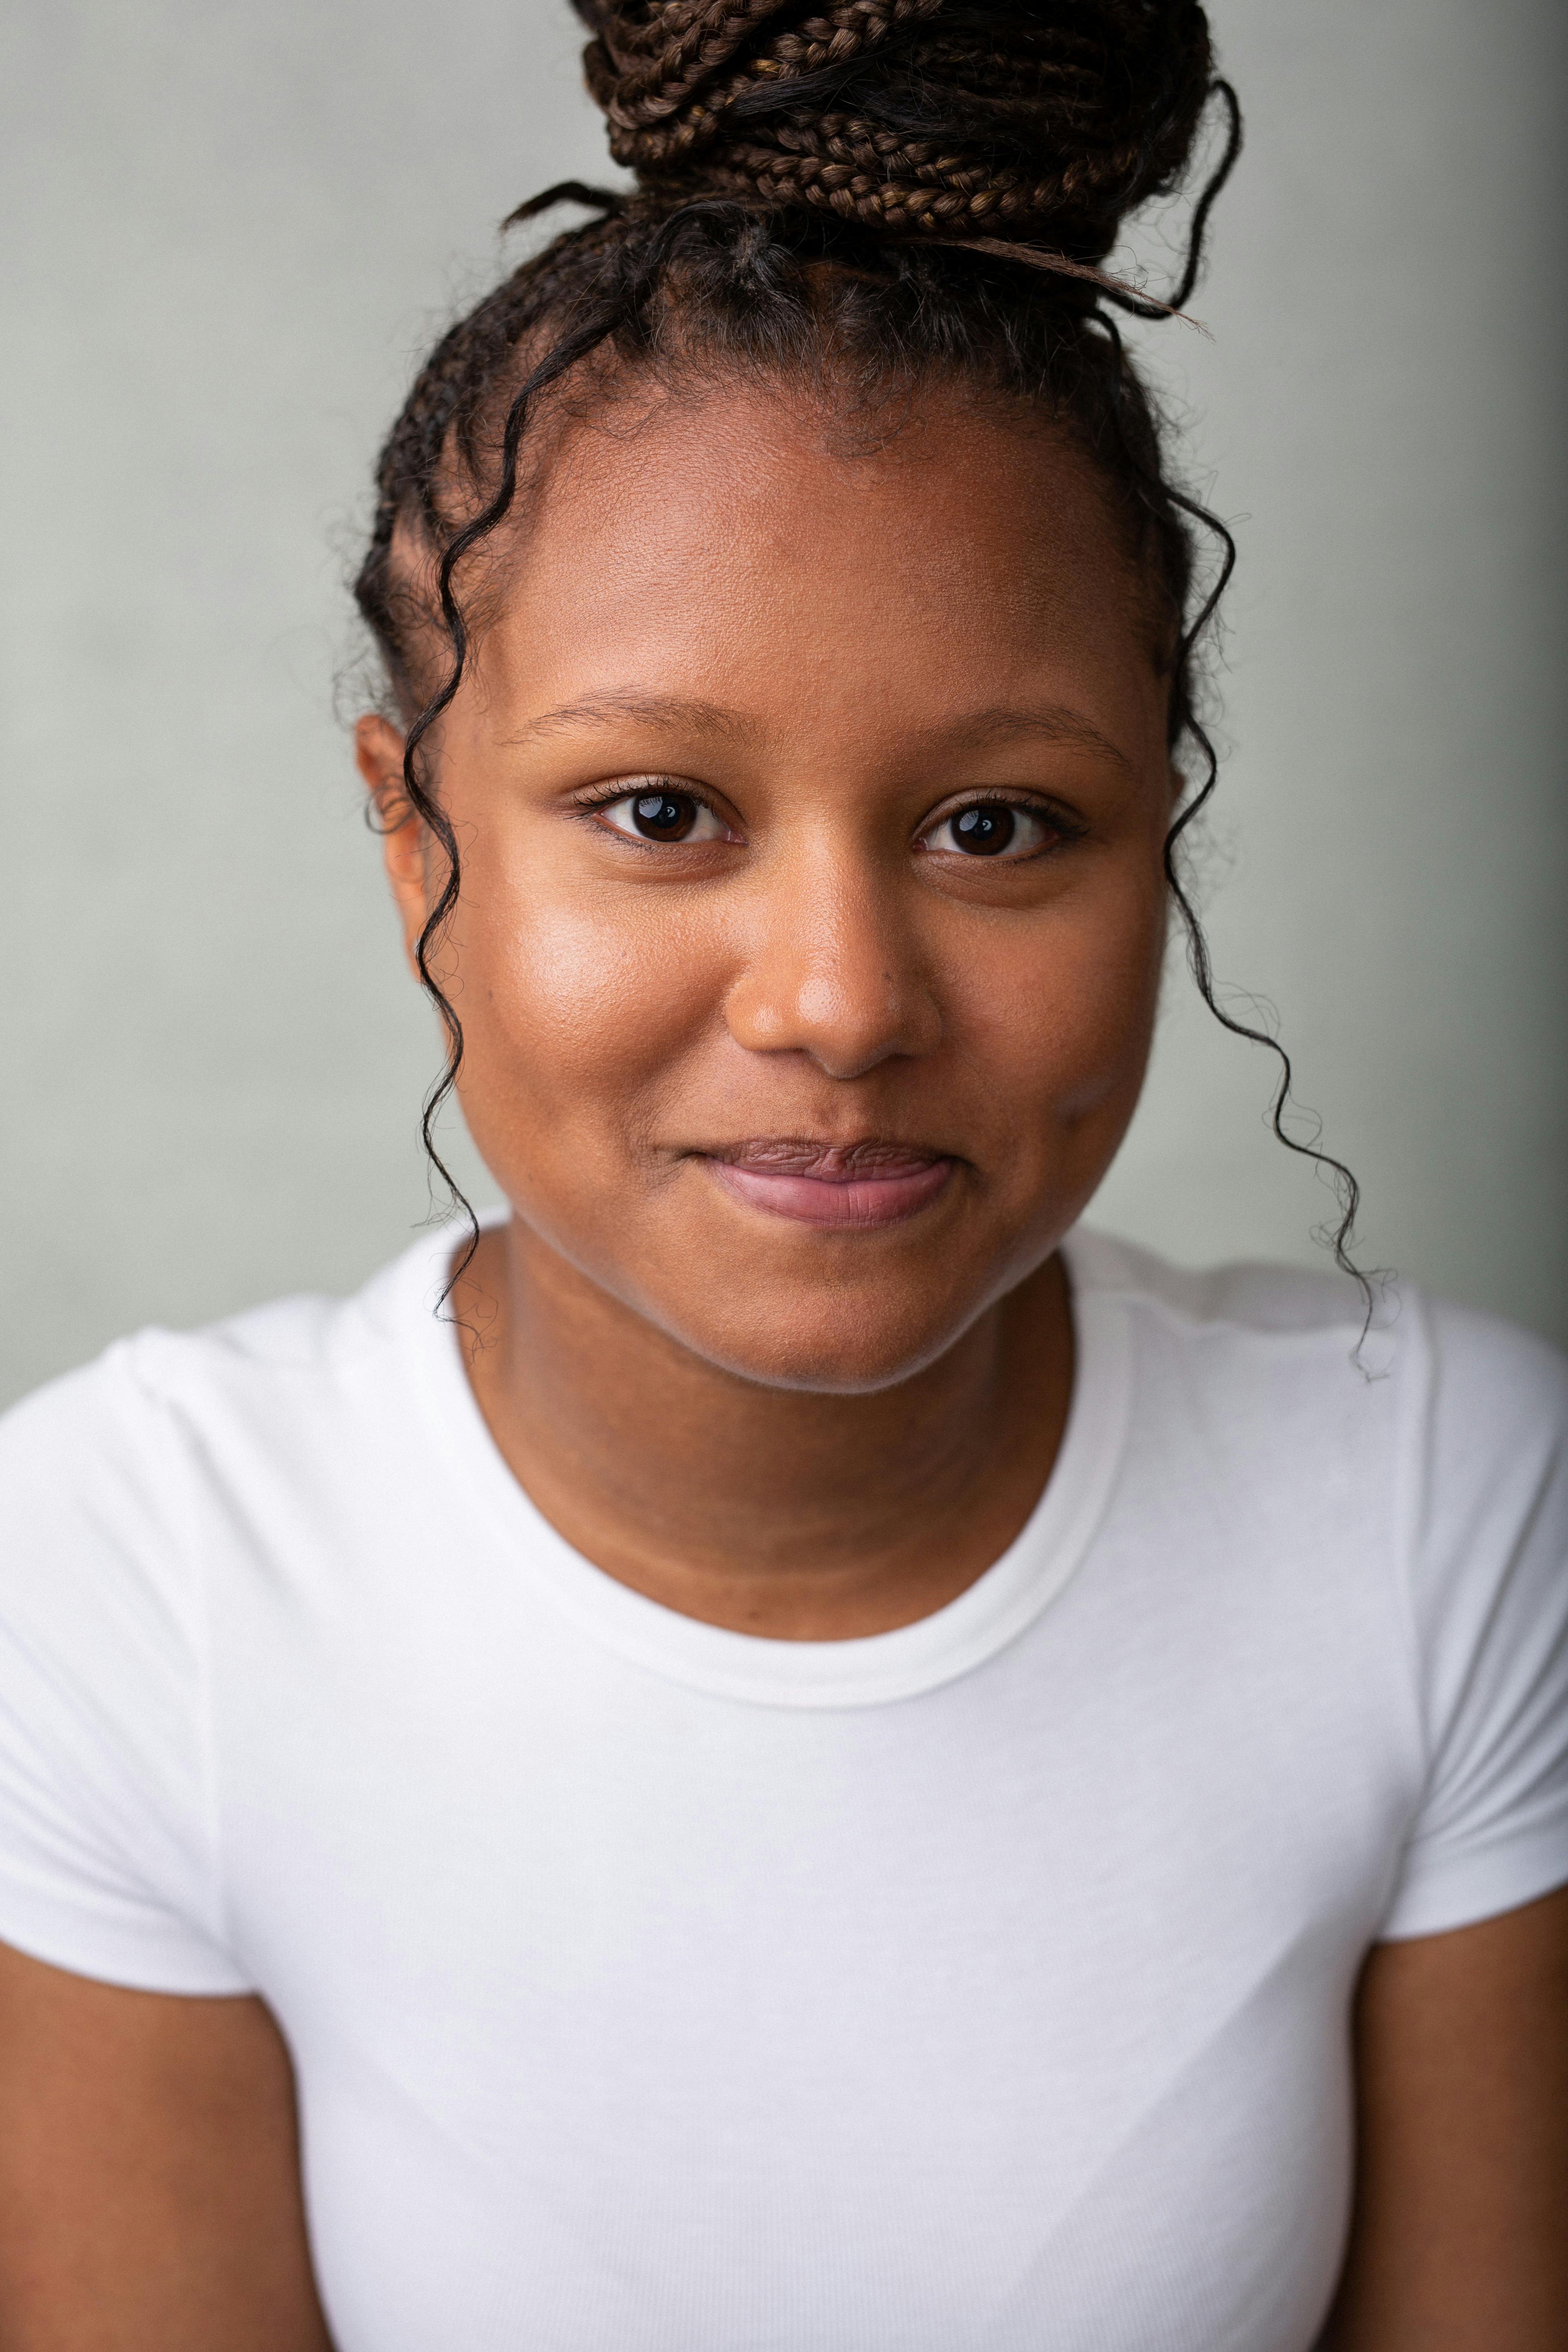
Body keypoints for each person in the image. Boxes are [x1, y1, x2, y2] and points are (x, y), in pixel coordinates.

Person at [1, 1, 1565, 2345]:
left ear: (1161, 833)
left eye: (995, 823)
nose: (840, 1000)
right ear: (410, 829)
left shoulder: (1452, 1505)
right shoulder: (132, 1578)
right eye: (659, 814)